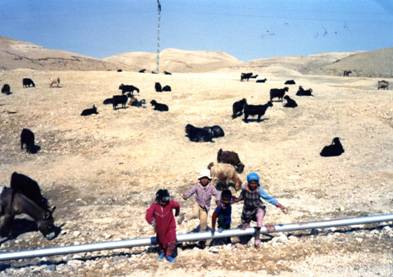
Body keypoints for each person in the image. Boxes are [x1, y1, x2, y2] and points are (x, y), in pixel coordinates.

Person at [234, 172, 288, 247]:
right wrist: (234, 200)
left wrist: (280, 206)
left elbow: (268, 198)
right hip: (247, 210)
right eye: (251, 183)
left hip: (257, 208)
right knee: (245, 227)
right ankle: (247, 236)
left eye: (255, 183)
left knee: (260, 217)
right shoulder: (244, 188)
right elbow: (241, 196)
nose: (253, 185)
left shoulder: (259, 190)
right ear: (248, 182)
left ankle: (257, 238)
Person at [182, 169, 220, 246]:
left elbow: (217, 193)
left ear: (209, 179)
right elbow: (191, 191)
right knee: (195, 214)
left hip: (205, 208)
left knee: (203, 224)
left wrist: (218, 200)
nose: (204, 180)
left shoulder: (211, 187)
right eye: (203, 178)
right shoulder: (197, 186)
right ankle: (184, 216)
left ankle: (202, 240)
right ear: (200, 179)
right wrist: (186, 195)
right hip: (197, 204)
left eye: (206, 179)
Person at [145, 189, 180, 263]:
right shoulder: (154, 206)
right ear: (158, 199)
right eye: (163, 200)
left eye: (166, 200)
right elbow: (148, 215)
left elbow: (177, 205)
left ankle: (168, 255)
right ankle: (162, 252)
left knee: (172, 240)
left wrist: (177, 212)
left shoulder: (170, 203)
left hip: (170, 226)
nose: (164, 202)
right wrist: (152, 221)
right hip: (160, 228)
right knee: (161, 241)